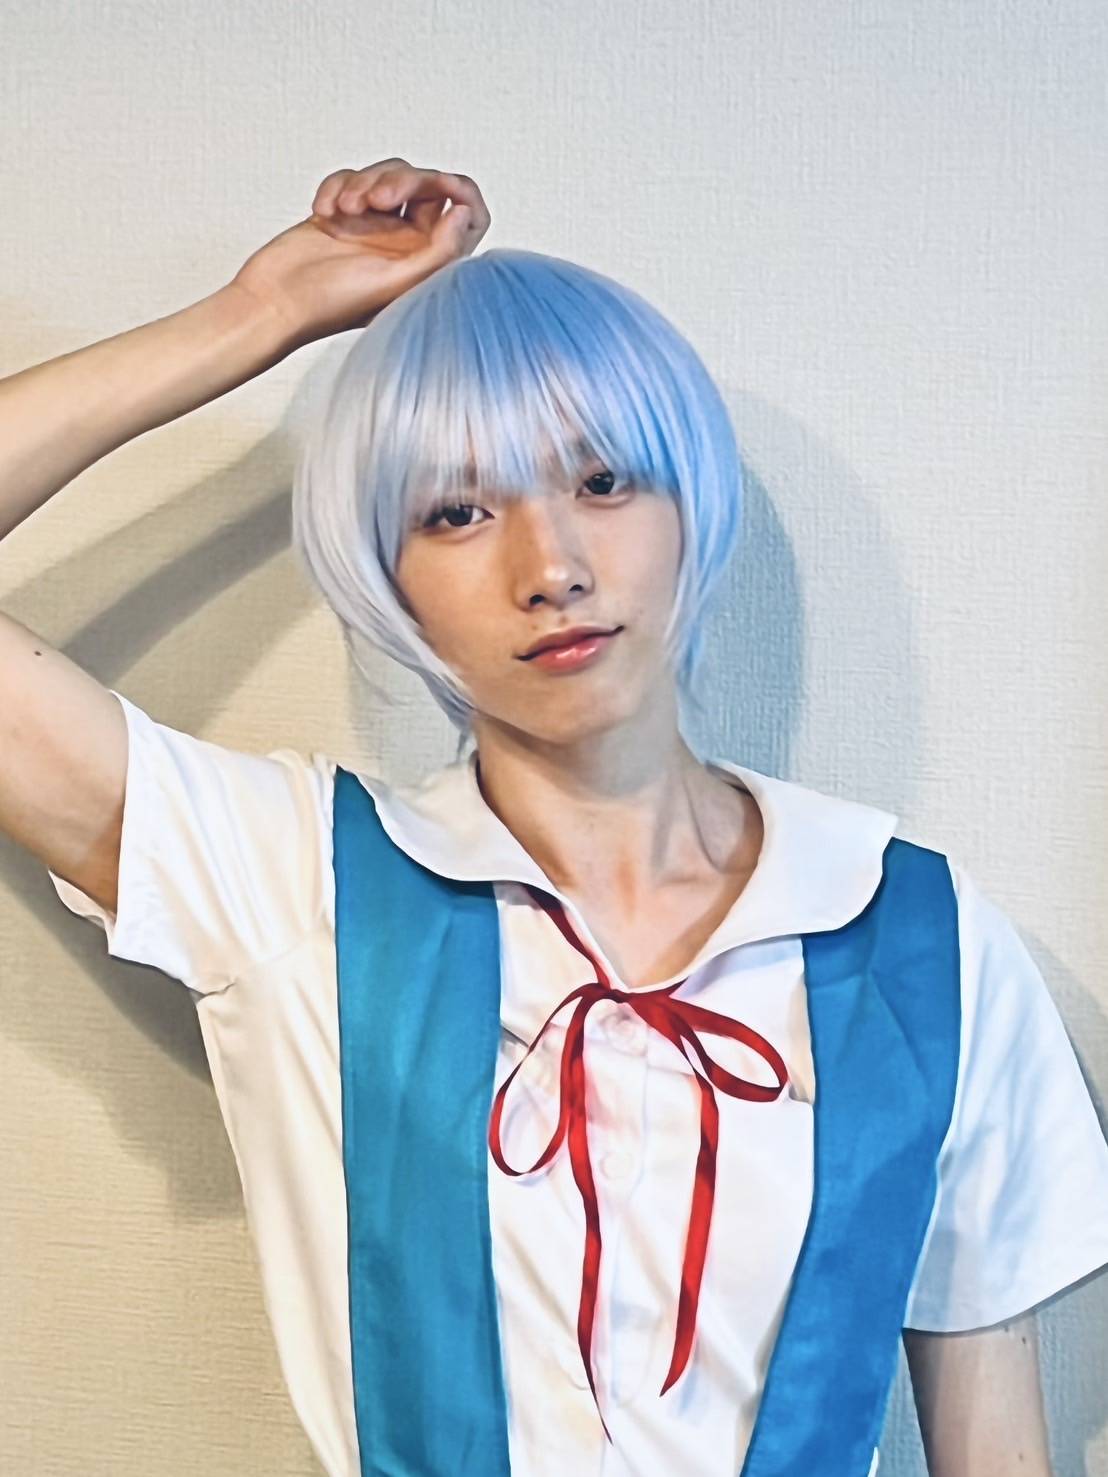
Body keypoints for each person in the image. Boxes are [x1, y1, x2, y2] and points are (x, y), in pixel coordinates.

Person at [3, 157, 1107, 1477]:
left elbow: (997, 1451)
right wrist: (260, 314)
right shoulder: (299, 886)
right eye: (458, 511)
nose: (553, 568)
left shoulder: (919, 941)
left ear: (690, 504)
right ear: (388, 575)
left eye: (604, 481)